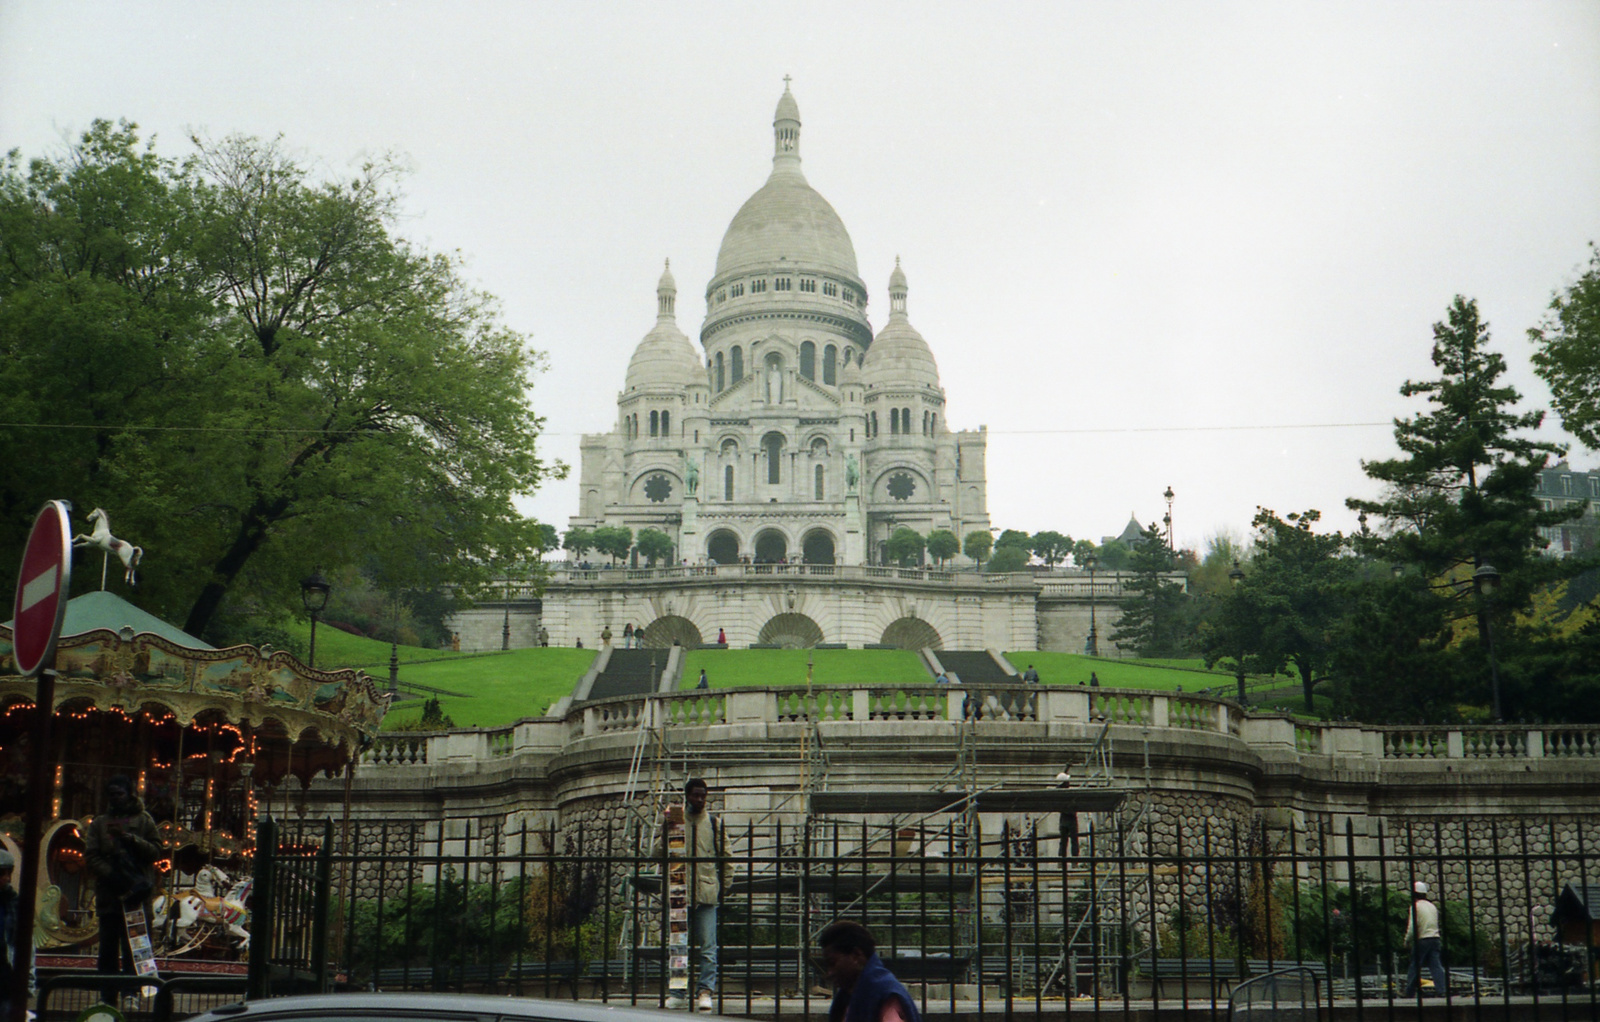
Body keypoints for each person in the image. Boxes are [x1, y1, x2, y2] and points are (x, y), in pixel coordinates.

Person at [659, 779, 732, 1011]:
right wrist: (666, 828)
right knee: (678, 946)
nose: (700, 800)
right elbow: (655, 853)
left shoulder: (713, 823)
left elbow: (727, 858)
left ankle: (705, 990)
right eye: (696, 795)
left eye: (703, 796)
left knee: (708, 946)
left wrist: (724, 887)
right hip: (681, 890)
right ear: (687, 796)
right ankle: (678, 992)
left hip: (707, 892)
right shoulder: (677, 821)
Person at [85, 776, 160, 1003]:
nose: (115, 798)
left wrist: (131, 840)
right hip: (110, 895)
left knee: (133, 947)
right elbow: (91, 855)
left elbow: (156, 851)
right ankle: (107, 994)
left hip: (135, 895)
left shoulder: (144, 820)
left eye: (120, 793)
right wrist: (111, 874)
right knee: (107, 948)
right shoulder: (99, 823)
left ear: (130, 794)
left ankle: (131, 991)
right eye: (112, 794)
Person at [819, 920, 922, 1022]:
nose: (830, 972)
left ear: (856, 955)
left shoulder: (886, 996)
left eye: (833, 963)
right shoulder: (847, 996)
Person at [1401, 880, 1448, 997]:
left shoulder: (1415, 907)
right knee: (1436, 965)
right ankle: (1442, 990)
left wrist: (1407, 940)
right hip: (1435, 938)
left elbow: (1412, 927)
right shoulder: (1432, 906)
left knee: (1415, 965)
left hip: (1423, 939)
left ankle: (1409, 992)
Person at [0, 849, 16, 1021]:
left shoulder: (12, 902)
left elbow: (20, 943)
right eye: (1, 873)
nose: (6, 878)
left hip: (4, 975)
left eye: (8, 873)